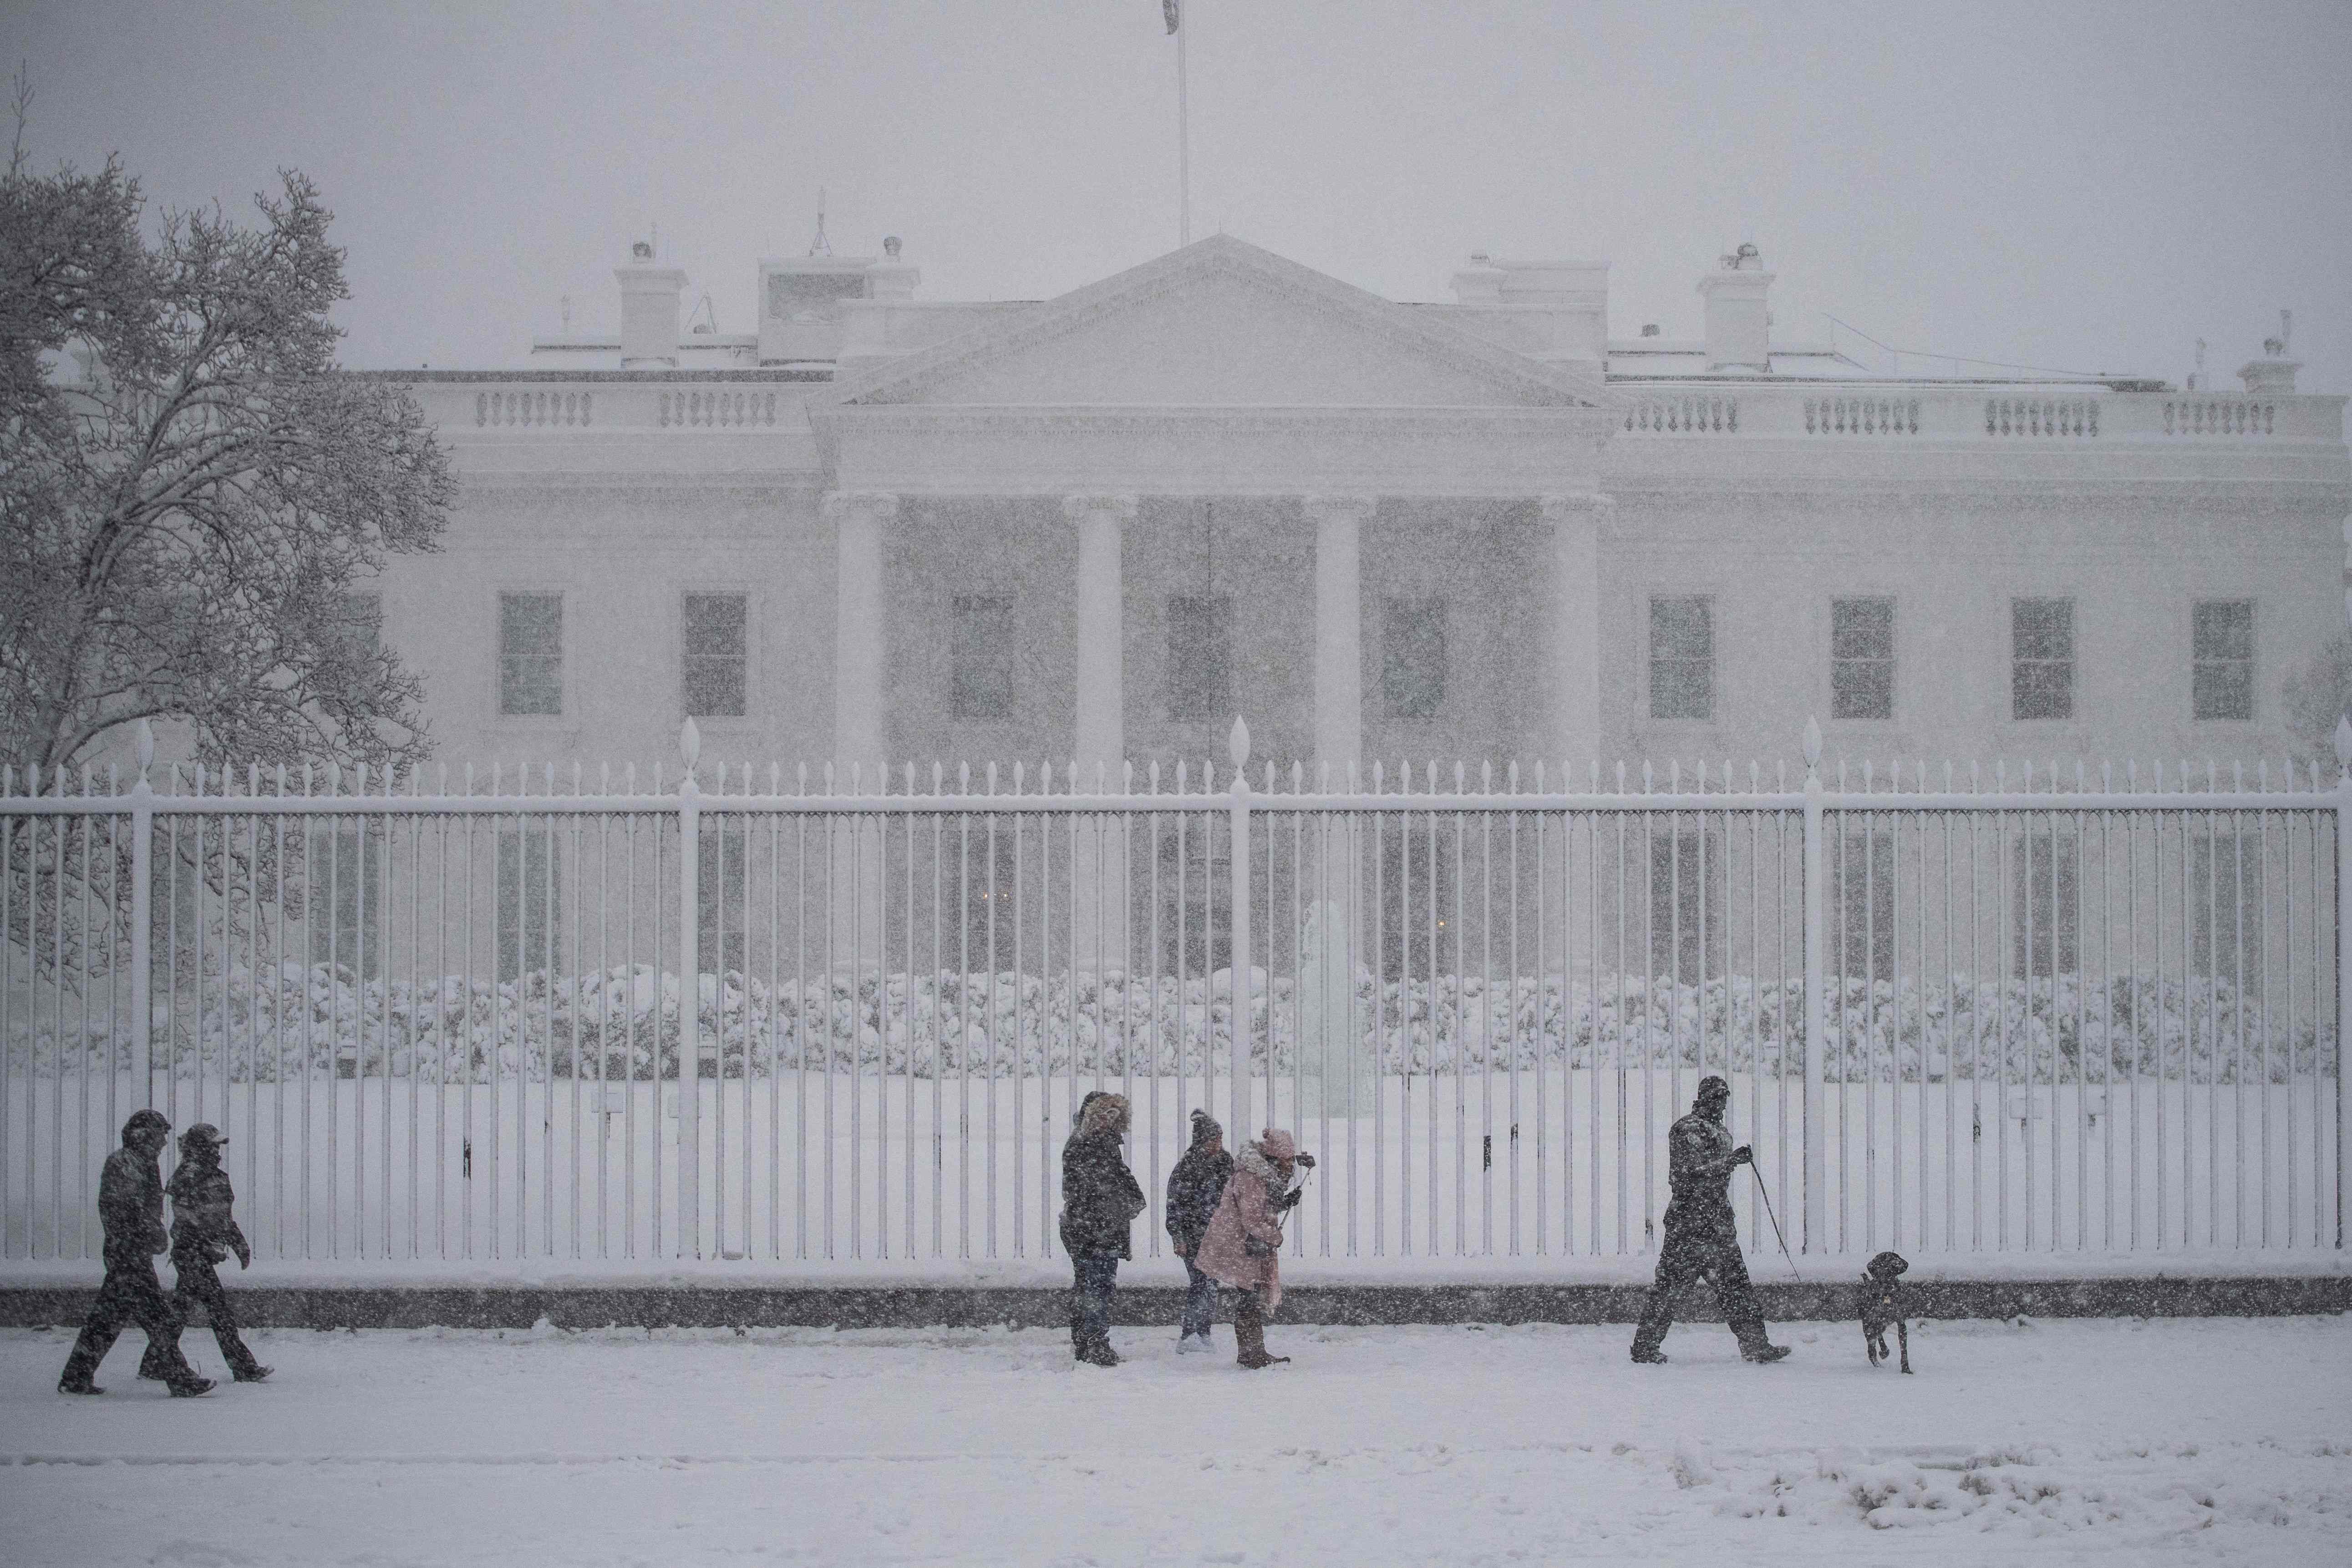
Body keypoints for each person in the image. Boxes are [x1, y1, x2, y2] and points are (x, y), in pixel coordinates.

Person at [1630, 1075, 1791, 1365]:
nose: (1722, 1105)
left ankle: (1756, 1345)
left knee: (1737, 1287)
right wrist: (1729, 1162)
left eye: (1724, 1100)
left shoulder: (1720, 1132)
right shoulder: (1685, 1129)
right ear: (1704, 1098)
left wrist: (1729, 1162)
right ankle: (1644, 1347)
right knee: (1670, 1289)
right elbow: (1686, 1175)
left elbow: (1712, 1177)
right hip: (1688, 1225)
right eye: (1717, 1099)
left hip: (1716, 1224)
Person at [57, 1109, 212, 1397]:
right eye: (161, 1136)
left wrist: (152, 1233)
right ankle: (181, 1379)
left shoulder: (142, 1162)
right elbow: (126, 1210)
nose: (165, 1143)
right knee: (159, 1318)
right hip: (128, 1252)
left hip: (131, 1252)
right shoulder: (125, 1163)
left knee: (106, 1319)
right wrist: (150, 1234)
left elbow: (140, 1209)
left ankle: (76, 1377)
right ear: (146, 1135)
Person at [139, 1124, 270, 1385]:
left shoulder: (218, 1177)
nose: (216, 1151)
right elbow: (187, 1219)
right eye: (212, 1145)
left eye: (217, 1146)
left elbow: (223, 1217)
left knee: (180, 1312)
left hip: (203, 1253)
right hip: (191, 1253)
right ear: (199, 1147)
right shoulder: (187, 1176)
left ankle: (154, 1361)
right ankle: (242, 1366)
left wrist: (238, 1242)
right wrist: (204, 1245)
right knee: (219, 1311)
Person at [1194, 1127, 1309, 1370]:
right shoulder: (1251, 1177)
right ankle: (1251, 1354)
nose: (1291, 1165)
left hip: (1248, 1243)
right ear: (1274, 1158)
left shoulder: (1263, 1174)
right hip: (1239, 1244)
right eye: (1287, 1160)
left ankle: (1254, 1351)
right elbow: (1251, 1219)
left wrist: (1284, 1201)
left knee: (1250, 1296)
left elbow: (1262, 1206)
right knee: (1249, 1297)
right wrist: (1275, 1236)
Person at [1058, 1091, 1144, 1367]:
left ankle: (1086, 1341)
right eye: (1104, 1114)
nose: (1109, 1120)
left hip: (1097, 1226)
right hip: (1093, 1228)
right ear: (1091, 1115)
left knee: (1092, 1285)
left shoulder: (1102, 1143)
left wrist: (1131, 1197)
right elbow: (1085, 1187)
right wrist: (1118, 1200)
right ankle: (1094, 1342)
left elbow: (1119, 1175)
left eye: (1114, 1115)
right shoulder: (1085, 1144)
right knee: (1096, 1286)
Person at [1164, 1109, 1234, 1354]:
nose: (1218, 1144)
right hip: (1194, 1236)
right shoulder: (1187, 1167)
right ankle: (1190, 1334)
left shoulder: (1226, 1164)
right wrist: (1178, 1236)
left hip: (1218, 1235)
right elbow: (1174, 1205)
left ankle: (1202, 1332)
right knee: (1201, 1283)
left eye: (1220, 1138)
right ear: (1201, 1141)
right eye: (1213, 1139)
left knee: (1210, 1285)